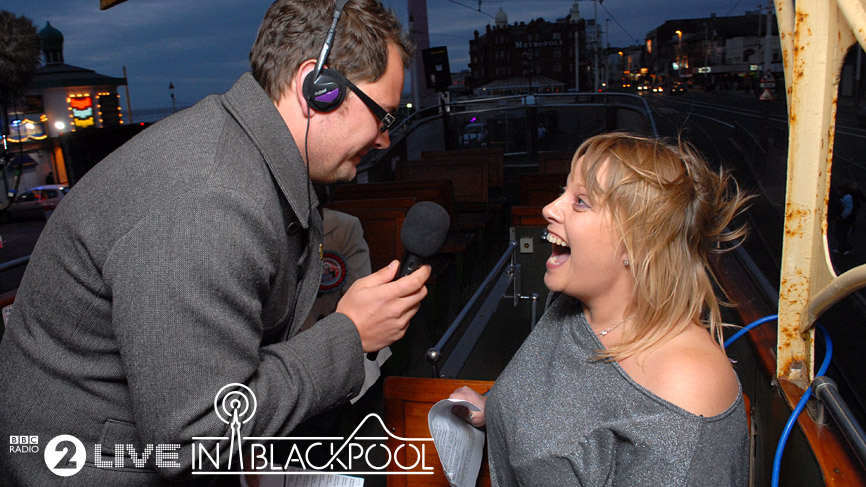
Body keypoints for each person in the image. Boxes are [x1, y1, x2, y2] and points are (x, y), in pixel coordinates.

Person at [0, 0, 427, 485]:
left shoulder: (242, 158)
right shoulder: (210, 201)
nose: (384, 140)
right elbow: (197, 438)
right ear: (318, 88)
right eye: (383, 116)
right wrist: (350, 334)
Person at [451, 133, 751, 486]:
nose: (549, 208)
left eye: (580, 202)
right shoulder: (570, 307)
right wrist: (495, 408)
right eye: (564, 191)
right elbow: (556, 399)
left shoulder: (686, 387)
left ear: (640, 242)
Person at [832, 180, 864, 255]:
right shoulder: (846, 196)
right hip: (845, 218)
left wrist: (842, 216)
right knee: (840, 233)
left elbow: (848, 208)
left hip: (846, 219)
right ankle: (842, 248)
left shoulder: (847, 197)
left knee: (843, 233)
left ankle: (847, 248)